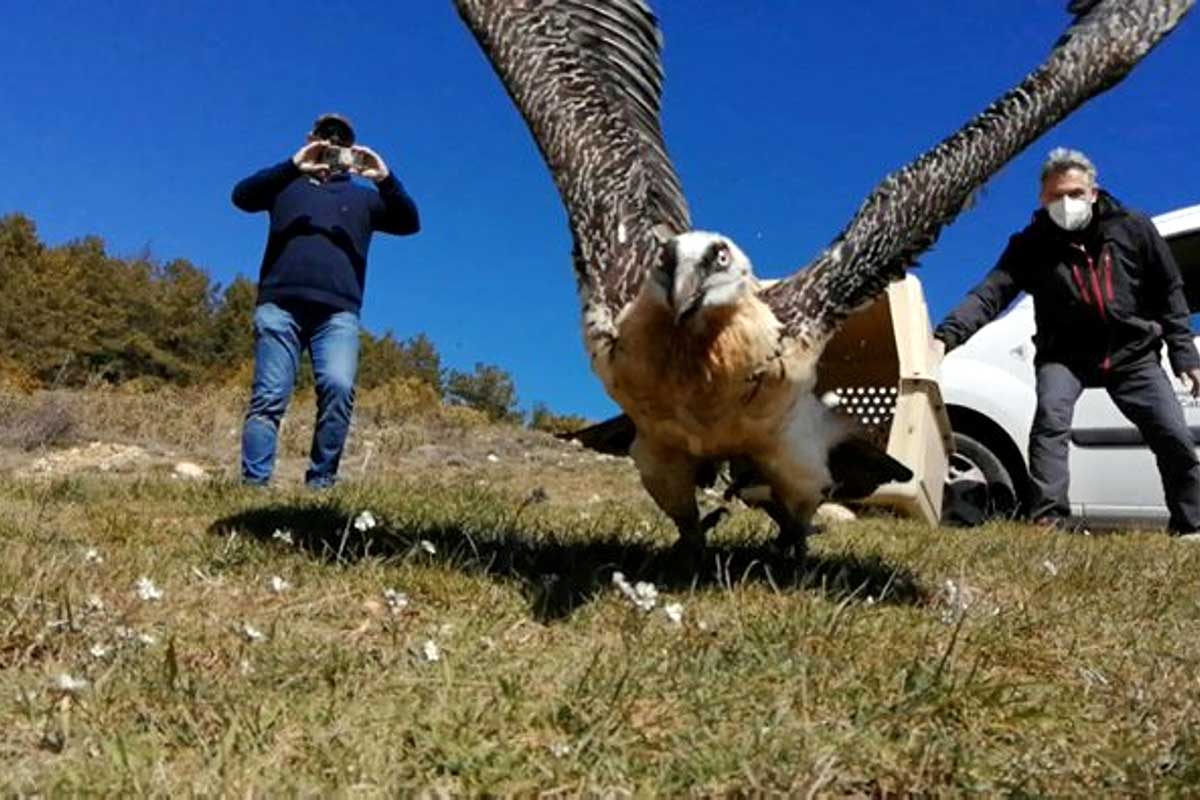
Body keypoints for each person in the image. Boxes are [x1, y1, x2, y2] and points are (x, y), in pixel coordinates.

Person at [934, 148, 1200, 536]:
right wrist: (945, 337)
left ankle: (1190, 525)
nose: (1066, 203)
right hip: (1065, 354)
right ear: (1043, 199)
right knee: (1050, 424)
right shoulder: (1031, 245)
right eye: (1055, 196)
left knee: (1172, 433)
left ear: (1093, 193)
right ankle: (1049, 520)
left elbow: (1169, 291)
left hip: (1132, 353)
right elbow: (990, 294)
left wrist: (1184, 354)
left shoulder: (1133, 228)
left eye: (1074, 193)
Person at [232, 113, 420, 488]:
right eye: (325, 135)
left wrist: (384, 178)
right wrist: (292, 165)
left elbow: (408, 221)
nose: (333, 143)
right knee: (269, 397)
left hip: (338, 313)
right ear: (311, 137)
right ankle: (254, 486)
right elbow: (242, 196)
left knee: (338, 388)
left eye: (342, 139)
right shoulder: (285, 186)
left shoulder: (365, 200)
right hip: (279, 306)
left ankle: (321, 484)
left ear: (352, 148)